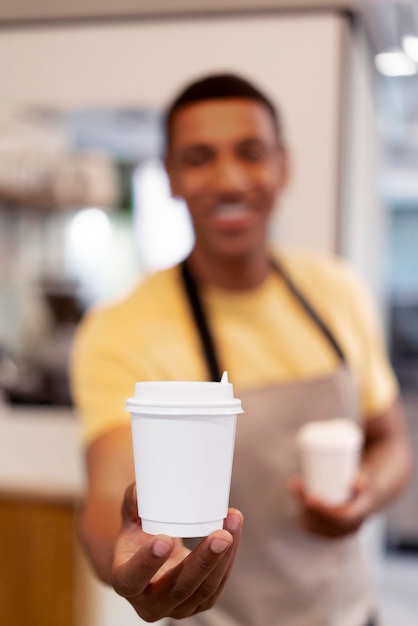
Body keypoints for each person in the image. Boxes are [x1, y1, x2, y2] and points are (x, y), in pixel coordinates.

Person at [70, 72, 413, 626]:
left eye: (250, 153)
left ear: (284, 166)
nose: (229, 180)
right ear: (172, 177)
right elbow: (106, 490)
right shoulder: (120, 329)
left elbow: (391, 440)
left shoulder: (336, 291)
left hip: (350, 613)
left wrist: (364, 498)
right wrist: (122, 554)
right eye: (200, 157)